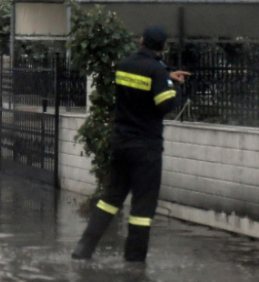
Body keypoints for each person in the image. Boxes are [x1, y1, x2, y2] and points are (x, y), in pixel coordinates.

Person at [72, 25, 190, 262]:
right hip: (146, 148)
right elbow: (164, 104)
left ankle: (83, 249)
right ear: (163, 46)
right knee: (142, 209)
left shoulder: (125, 65)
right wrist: (174, 86)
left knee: (110, 199)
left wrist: (165, 76)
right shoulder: (156, 71)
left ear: (141, 41)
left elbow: (140, 85)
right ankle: (134, 264)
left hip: (121, 143)